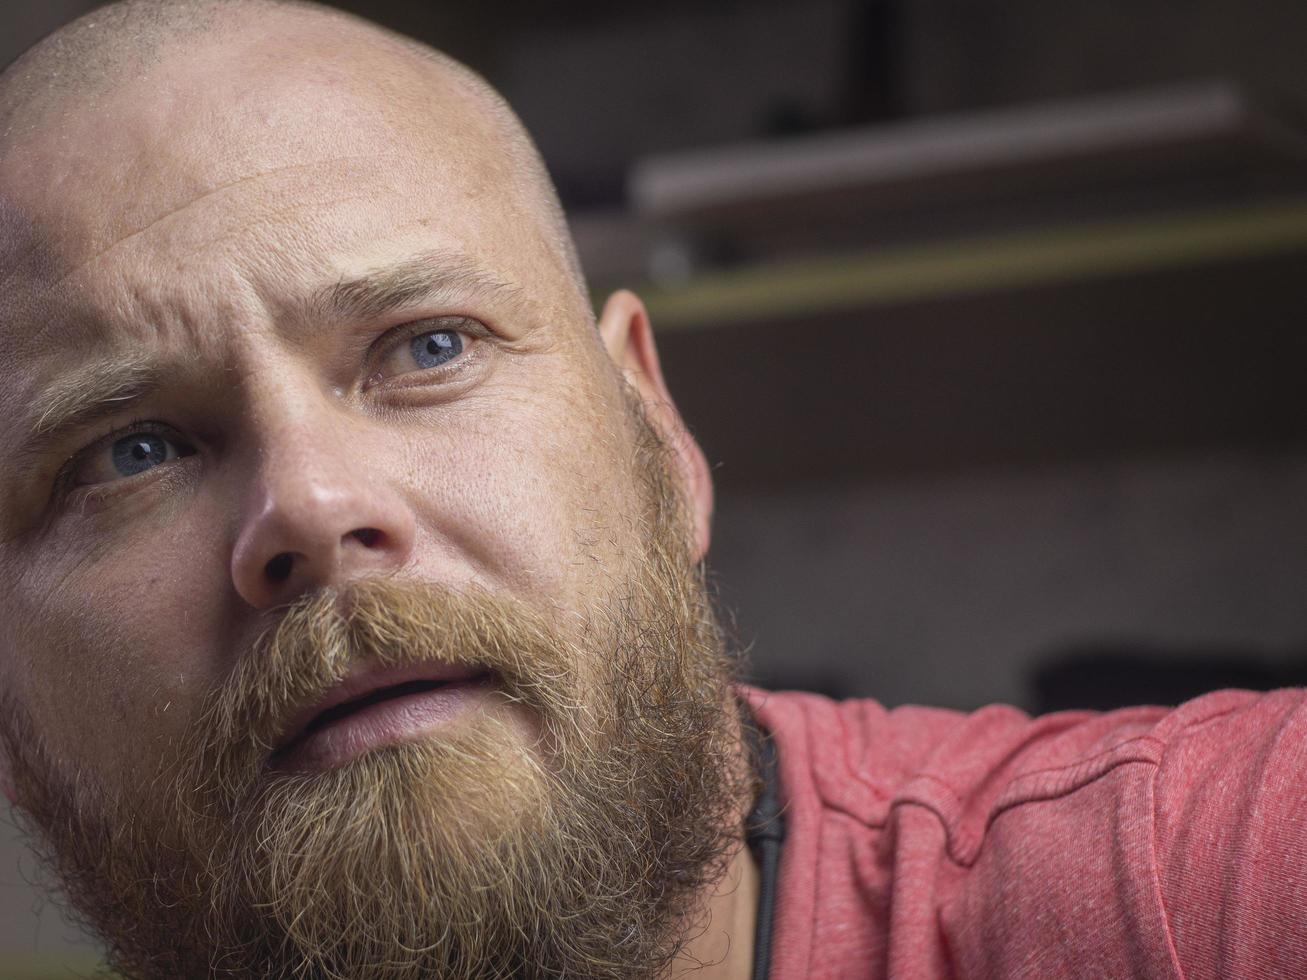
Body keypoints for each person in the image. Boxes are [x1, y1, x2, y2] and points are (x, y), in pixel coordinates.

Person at [0, 2, 1303, 978]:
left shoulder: (1206, 886)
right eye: (132, 448)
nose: (314, 507)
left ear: (657, 431)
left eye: (427, 347)